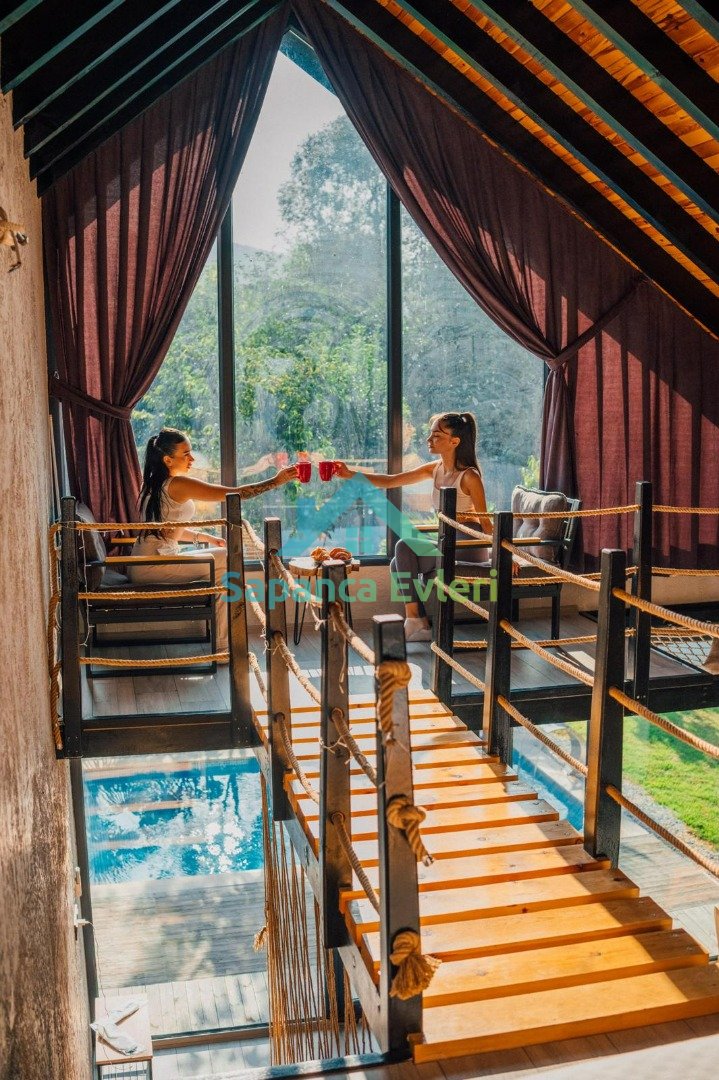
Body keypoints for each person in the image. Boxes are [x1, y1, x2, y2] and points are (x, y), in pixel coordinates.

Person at [129, 428, 297, 653]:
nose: (192, 459)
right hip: (152, 566)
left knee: (221, 563)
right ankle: (224, 646)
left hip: (144, 563)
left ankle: (224, 642)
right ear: (167, 460)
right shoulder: (177, 484)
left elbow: (168, 529)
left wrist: (204, 537)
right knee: (224, 561)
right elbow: (236, 494)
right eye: (186, 454)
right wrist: (276, 481)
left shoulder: (154, 483)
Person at [335, 412, 493, 642]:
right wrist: (350, 475)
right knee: (396, 563)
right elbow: (391, 481)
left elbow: (486, 523)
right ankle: (422, 624)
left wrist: (506, 557)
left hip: (468, 547)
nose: (429, 439)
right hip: (447, 544)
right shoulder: (435, 468)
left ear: (454, 441)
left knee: (404, 546)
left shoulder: (469, 477)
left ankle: (414, 619)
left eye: (437, 435)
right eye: (430, 434)